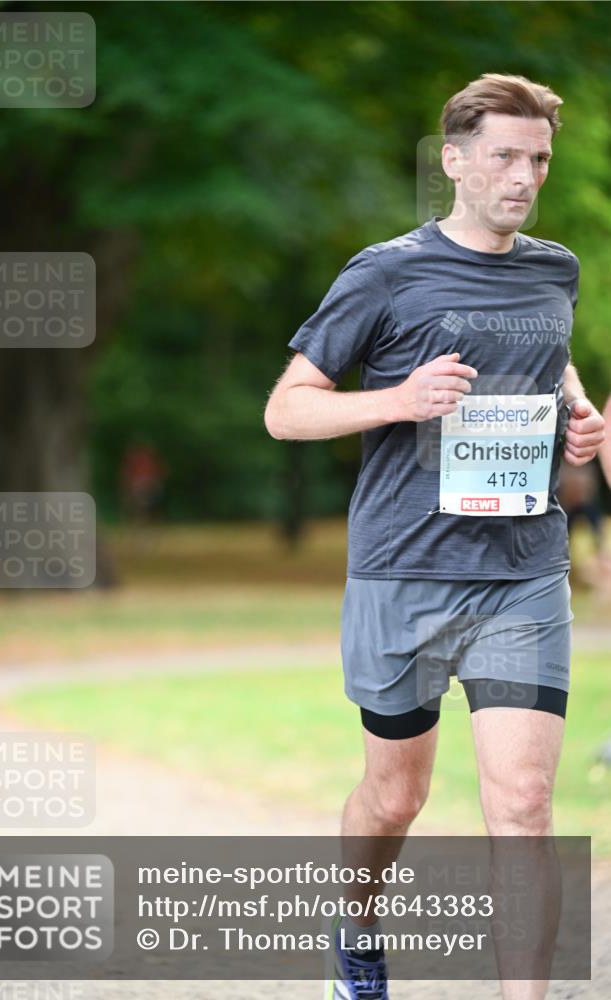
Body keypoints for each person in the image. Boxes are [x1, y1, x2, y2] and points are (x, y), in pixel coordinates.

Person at [264, 73, 605, 1000]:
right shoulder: (384, 271)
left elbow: (548, 351)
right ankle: (357, 931)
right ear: (453, 160)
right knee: (395, 796)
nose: (523, 175)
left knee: (525, 803)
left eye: (537, 158)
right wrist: (401, 399)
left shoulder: (555, 268)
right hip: (402, 571)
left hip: (521, 572)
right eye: (503, 155)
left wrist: (577, 412)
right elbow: (286, 409)